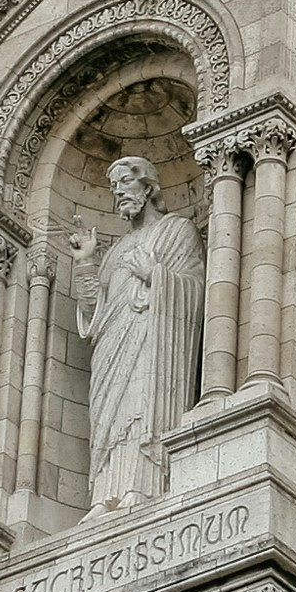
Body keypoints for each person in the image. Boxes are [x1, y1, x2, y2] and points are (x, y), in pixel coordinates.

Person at [68, 153, 206, 511]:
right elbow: (94, 313)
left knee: (141, 407)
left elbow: (195, 289)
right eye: (113, 187)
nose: (118, 193)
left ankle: (141, 488)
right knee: (110, 419)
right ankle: (104, 497)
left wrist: (154, 275)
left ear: (147, 186)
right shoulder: (114, 253)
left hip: (155, 342)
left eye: (125, 183)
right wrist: (85, 262)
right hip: (111, 347)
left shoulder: (177, 230)